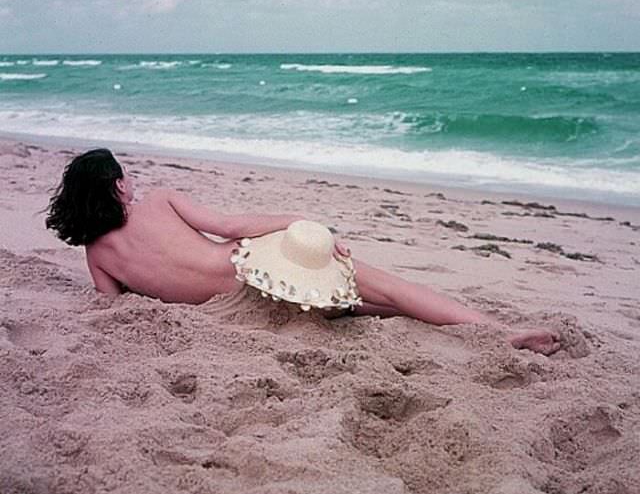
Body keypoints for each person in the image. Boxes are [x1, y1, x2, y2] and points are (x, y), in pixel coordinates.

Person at [45, 148, 560, 355]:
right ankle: (501, 333)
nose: (132, 181)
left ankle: (453, 325)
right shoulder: (159, 200)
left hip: (231, 310)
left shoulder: (97, 255)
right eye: (124, 176)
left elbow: (114, 306)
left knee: (354, 305)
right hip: (253, 272)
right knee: (385, 288)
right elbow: (231, 227)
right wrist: (302, 224)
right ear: (115, 186)